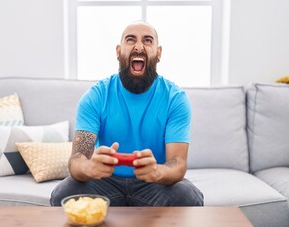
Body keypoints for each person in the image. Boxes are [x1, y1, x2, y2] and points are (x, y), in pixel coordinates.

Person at [50, 21, 204, 207]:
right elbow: (76, 161)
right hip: (105, 183)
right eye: (131, 40)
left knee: (188, 195)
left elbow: (178, 164)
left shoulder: (175, 99)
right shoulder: (95, 96)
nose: (139, 46)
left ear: (159, 52)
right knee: (64, 192)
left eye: (147, 41)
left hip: (153, 184)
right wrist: (91, 167)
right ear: (118, 51)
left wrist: (156, 171)